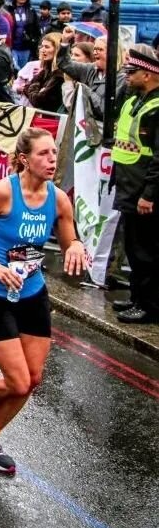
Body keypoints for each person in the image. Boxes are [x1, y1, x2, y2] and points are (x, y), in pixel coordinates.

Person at [0, 126, 86, 473]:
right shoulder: (2, 193)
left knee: (33, 378)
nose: (52, 159)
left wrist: (77, 246)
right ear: (24, 159)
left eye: (54, 153)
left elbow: (70, 240)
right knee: (18, 381)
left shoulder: (59, 199)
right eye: (43, 153)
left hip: (32, 293)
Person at [110, 46, 159, 324]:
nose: (127, 77)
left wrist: (149, 195)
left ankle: (149, 305)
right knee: (133, 248)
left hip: (144, 191)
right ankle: (138, 296)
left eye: (132, 72)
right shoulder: (135, 100)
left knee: (146, 252)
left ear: (148, 74)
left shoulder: (156, 108)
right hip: (129, 187)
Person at [8, 0, 41, 71]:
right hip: (12, 47)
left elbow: (37, 29)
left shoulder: (31, 11)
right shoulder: (9, 9)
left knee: (23, 70)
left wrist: (34, 40)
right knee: (14, 68)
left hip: (25, 48)